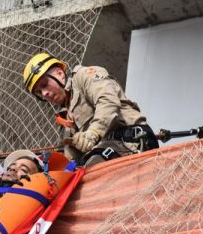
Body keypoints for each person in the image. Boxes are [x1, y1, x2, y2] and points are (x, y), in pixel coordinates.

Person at [22, 52, 157, 166]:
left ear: (59, 73)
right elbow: (70, 159)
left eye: (45, 85)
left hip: (131, 143)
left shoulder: (83, 76)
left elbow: (108, 101)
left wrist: (92, 134)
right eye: (40, 92)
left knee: (92, 170)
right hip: (104, 154)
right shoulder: (65, 121)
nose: (44, 93)